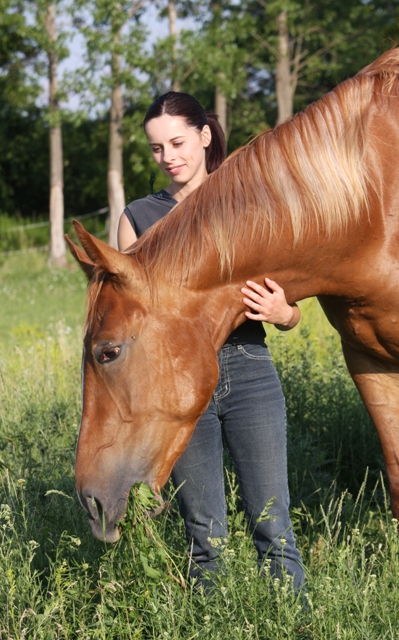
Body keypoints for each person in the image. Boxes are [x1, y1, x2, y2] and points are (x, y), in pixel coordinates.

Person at [118, 92, 304, 592]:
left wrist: (286, 313)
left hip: (249, 370)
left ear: (204, 136)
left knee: (274, 524)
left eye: (177, 142)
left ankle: (294, 622)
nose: (168, 157)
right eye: (157, 149)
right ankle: (209, 622)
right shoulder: (137, 219)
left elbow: (291, 307)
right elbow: (130, 325)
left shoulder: (248, 204)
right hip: (179, 384)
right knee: (205, 536)